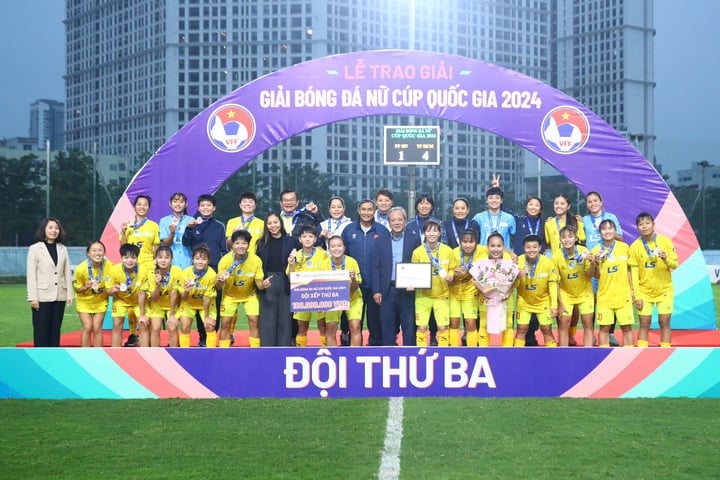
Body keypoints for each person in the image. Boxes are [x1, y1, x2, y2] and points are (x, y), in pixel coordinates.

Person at [342, 199, 390, 346]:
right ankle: (350, 351)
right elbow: (342, 255)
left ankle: (375, 349)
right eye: (363, 209)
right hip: (353, 285)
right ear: (358, 211)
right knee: (353, 323)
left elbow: (386, 259)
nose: (366, 212)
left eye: (370, 209)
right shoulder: (349, 230)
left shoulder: (382, 231)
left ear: (374, 211)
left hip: (374, 285)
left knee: (375, 322)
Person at [182, 193, 228, 346]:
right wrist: (189, 229)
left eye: (209, 205)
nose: (205, 208)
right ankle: (202, 337)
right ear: (199, 207)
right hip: (197, 268)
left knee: (215, 302)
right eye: (202, 205)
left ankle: (211, 335)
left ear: (213, 208)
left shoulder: (219, 226)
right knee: (197, 302)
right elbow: (185, 243)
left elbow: (224, 249)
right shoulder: (193, 224)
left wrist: (222, 270)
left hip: (214, 269)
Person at [373, 206, 422, 346]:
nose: (397, 222)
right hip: (387, 290)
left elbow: (419, 263)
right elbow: (376, 267)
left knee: (409, 327)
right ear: (389, 222)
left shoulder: (414, 239)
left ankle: (410, 357)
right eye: (393, 220)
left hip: (408, 290)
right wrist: (377, 290)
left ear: (405, 221)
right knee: (387, 327)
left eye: (400, 219)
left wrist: (417, 283)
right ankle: (389, 356)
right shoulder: (380, 241)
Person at [629, 212, 678, 347]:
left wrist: (665, 258)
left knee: (665, 321)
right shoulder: (634, 247)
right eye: (641, 224)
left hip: (665, 291)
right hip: (644, 292)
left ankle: (665, 351)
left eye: (647, 223)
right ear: (637, 227)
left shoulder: (665, 242)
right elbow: (634, 272)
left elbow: (675, 264)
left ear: (653, 225)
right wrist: (637, 296)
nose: (644, 226)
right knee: (644, 323)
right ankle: (641, 352)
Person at [216, 229, 270, 347]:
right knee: (225, 323)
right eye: (237, 243)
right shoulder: (224, 261)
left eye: (244, 243)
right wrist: (221, 281)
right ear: (232, 245)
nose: (241, 246)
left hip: (249, 295)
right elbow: (218, 287)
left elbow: (259, 285)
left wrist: (263, 284)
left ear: (248, 244)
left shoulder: (255, 260)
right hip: (230, 296)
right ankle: (224, 351)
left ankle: (255, 351)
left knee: (254, 320)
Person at [582, 191, 623, 346]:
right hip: (592, 265)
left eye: (595, 201)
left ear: (601, 202)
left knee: (610, 299)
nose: (592, 204)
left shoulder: (611, 218)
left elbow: (620, 237)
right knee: (592, 301)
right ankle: (590, 334)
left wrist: (607, 234)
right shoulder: (584, 220)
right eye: (589, 201)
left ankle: (610, 333)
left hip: (609, 264)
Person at [119, 194, 160, 346]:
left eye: (145, 205)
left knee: (147, 302)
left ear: (148, 208)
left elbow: (156, 248)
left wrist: (155, 266)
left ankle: (147, 336)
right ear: (134, 206)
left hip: (148, 267)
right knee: (131, 302)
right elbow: (123, 247)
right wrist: (123, 232)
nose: (142, 207)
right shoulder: (127, 225)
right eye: (139, 204)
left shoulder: (153, 226)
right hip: (131, 268)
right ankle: (132, 334)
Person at [26, 218, 74, 347]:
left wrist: (70, 294)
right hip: (42, 297)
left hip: (60, 296)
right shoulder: (35, 248)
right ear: (44, 230)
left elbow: (66, 273)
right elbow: (31, 275)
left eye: (57, 228)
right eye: (51, 227)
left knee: (55, 331)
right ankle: (40, 359)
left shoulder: (63, 249)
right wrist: (33, 298)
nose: (54, 230)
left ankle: (53, 360)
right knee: (41, 331)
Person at [410, 219, 456, 346]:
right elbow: (413, 272)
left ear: (440, 233)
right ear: (424, 233)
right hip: (423, 296)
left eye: (435, 231)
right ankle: (421, 353)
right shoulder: (418, 252)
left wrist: (451, 276)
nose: (432, 234)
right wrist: (411, 283)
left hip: (442, 296)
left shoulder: (448, 251)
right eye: (428, 231)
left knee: (442, 327)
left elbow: (452, 268)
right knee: (422, 327)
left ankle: (444, 352)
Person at [590, 219, 634, 347]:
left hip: (623, 295)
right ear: (600, 233)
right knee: (604, 329)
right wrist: (596, 264)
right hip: (605, 297)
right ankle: (604, 356)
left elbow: (629, 270)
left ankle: (628, 356)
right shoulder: (596, 250)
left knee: (627, 328)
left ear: (615, 231)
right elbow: (596, 276)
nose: (607, 231)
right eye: (604, 229)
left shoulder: (624, 247)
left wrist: (632, 290)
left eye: (610, 228)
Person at [407, 193, 442, 345]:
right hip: (416, 271)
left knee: (436, 308)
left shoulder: (439, 223)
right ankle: (419, 337)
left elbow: (444, 245)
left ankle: (434, 335)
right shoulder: (409, 224)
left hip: (436, 271)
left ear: (432, 206)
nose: (424, 205)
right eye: (421, 203)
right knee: (419, 306)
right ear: (416, 206)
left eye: (428, 203)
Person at [256, 213, 295, 346]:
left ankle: (283, 350)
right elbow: (257, 265)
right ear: (266, 226)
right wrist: (260, 282)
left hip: (286, 282)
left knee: (285, 320)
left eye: (276, 222)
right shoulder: (261, 243)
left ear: (281, 223)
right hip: (268, 282)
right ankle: (267, 350)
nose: (273, 226)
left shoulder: (291, 241)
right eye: (270, 223)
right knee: (268, 320)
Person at [513, 235, 559, 347]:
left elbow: (552, 284)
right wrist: (517, 277)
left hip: (543, 302)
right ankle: (517, 356)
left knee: (546, 329)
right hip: (524, 302)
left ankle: (552, 355)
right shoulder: (518, 261)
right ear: (524, 248)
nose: (531, 250)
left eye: (534, 247)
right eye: (528, 247)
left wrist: (554, 306)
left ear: (539, 248)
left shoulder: (547, 262)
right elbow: (513, 286)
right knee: (521, 329)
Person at [552, 226, 594, 346]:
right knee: (564, 322)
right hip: (566, 294)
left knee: (587, 322)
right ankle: (563, 353)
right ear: (560, 239)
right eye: (563, 237)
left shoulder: (584, 251)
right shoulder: (556, 256)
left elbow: (589, 275)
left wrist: (593, 264)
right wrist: (559, 303)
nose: (567, 240)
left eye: (570, 236)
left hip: (585, 292)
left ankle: (588, 352)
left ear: (576, 238)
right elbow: (555, 282)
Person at [287, 225, 329, 346]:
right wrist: (291, 265)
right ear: (300, 239)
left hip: (321, 294)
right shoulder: (295, 255)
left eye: (310, 236)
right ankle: (301, 349)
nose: (307, 239)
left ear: (315, 239)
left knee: (322, 325)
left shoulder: (323, 254)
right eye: (304, 236)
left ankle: (324, 349)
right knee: (302, 326)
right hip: (302, 295)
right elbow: (291, 278)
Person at [512, 196, 546, 346]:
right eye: (530, 205)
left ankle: (532, 333)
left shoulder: (546, 223)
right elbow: (503, 209)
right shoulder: (519, 221)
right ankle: (525, 333)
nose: (533, 207)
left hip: (540, 264)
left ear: (540, 208)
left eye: (536, 205)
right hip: (521, 263)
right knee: (523, 298)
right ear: (526, 208)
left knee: (537, 296)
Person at [472, 233, 517, 347]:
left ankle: (507, 353)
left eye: (499, 246)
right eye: (492, 246)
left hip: (506, 300)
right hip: (486, 300)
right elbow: (475, 280)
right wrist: (486, 291)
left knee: (508, 325)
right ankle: (483, 352)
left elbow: (515, 281)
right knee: (484, 325)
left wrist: (507, 293)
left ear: (503, 246)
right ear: (487, 247)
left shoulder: (510, 262)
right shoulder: (480, 262)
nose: (496, 249)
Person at [320, 235, 362, 346]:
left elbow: (355, 288)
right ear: (329, 249)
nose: (336, 248)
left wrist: (353, 279)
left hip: (353, 298)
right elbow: (321, 288)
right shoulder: (324, 264)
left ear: (344, 247)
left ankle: (355, 357)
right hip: (333, 299)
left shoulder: (352, 262)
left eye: (339, 245)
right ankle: (332, 357)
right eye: (333, 246)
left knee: (355, 327)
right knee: (331, 328)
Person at [107, 243, 150, 347]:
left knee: (143, 324)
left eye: (133, 257)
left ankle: (146, 353)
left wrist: (142, 314)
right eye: (126, 257)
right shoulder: (114, 270)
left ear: (137, 258)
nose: (130, 260)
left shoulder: (143, 271)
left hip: (138, 301)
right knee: (117, 325)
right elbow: (108, 291)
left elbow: (142, 293)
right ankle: (115, 353)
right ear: (121, 258)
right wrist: (112, 290)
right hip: (120, 301)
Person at [139, 245, 182, 347]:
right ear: (155, 259)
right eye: (160, 257)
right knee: (156, 328)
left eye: (167, 257)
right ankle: (155, 355)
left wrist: (172, 314)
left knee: (172, 327)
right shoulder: (151, 273)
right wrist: (157, 285)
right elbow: (154, 298)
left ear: (172, 259)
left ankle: (174, 354)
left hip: (173, 305)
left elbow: (175, 294)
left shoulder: (177, 271)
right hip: (157, 305)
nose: (163, 260)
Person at [73, 240, 112, 347]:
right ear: (88, 253)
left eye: (100, 250)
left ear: (104, 253)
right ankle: (85, 354)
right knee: (87, 327)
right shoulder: (81, 269)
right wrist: (85, 287)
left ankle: (98, 353)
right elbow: (77, 289)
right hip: (84, 302)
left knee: (97, 327)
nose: (97, 253)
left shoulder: (109, 266)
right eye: (94, 250)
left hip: (101, 301)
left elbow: (114, 282)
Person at [178, 244, 218, 347]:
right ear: (192, 260)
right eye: (197, 259)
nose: (200, 262)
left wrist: (206, 317)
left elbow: (207, 298)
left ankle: (211, 353)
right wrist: (186, 291)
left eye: (204, 259)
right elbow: (183, 298)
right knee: (185, 327)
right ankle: (184, 353)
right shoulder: (185, 273)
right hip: (188, 303)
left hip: (206, 305)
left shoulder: (212, 275)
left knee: (209, 325)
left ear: (208, 261)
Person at [449, 229, 483, 346]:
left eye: (471, 242)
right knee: (454, 322)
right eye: (465, 242)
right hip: (454, 292)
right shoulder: (453, 253)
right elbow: (448, 271)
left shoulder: (482, 251)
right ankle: (453, 349)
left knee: (470, 323)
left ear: (476, 243)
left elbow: (498, 247)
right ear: (460, 242)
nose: (468, 245)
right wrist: (454, 274)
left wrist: (512, 254)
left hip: (470, 293)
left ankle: (472, 350)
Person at [158, 192, 194, 269]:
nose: (178, 204)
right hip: (171, 263)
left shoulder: (191, 220)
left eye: (181, 202)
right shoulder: (164, 221)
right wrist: (172, 233)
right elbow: (165, 244)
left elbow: (193, 243)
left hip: (188, 262)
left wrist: (189, 229)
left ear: (186, 204)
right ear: (170, 204)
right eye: (175, 201)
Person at [544, 193, 585, 259]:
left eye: (562, 204)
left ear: (568, 206)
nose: (558, 206)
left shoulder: (576, 221)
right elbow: (548, 245)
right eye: (556, 203)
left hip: (574, 262)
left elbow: (582, 240)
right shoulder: (548, 224)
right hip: (556, 262)